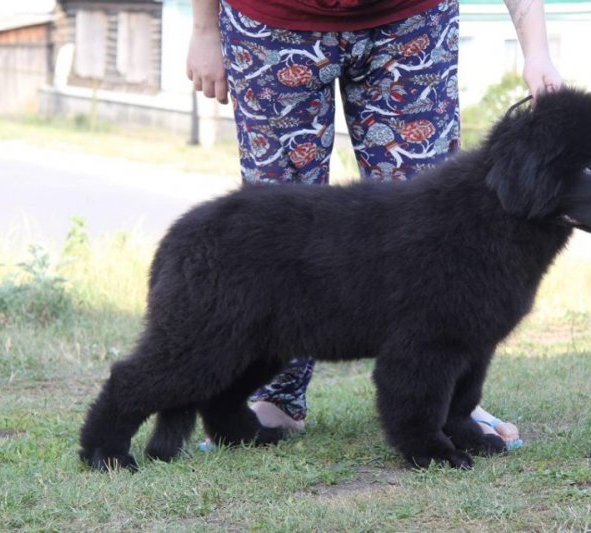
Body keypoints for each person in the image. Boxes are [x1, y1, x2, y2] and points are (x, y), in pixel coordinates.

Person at [187, 0, 563, 449]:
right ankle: (276, 397)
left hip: (410, 22)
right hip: (273, 25)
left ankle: (447, 405)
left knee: (437, 233)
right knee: (273, 229)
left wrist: (536, 49)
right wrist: (204, 27)